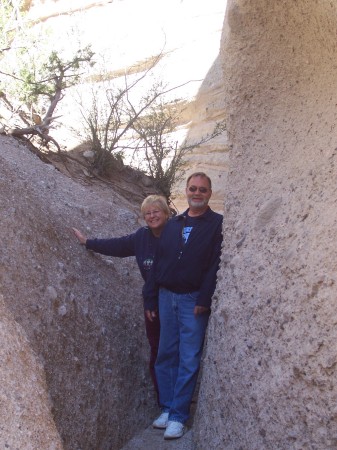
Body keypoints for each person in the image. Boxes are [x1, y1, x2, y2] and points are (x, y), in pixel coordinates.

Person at [143, 172, 223, 440]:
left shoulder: (217, 224)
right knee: (166, 354)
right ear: (186, 191)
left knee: (188, 358)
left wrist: (204, 298)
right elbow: (159, 263)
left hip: (192, 300)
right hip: (166, 297)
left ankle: (178, 414)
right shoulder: (174, 224)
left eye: (202, 189)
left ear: (209, 193)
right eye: (193, 189)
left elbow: (214, 265)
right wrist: (151, 297)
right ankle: (166, 408)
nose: (197, 193)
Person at [72, 194, 171, 401]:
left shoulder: (176, 233)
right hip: (153, 303)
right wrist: (88, 242)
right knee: (157, 349)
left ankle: (180, 402)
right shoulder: (141, 237)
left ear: (166, 213)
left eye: (156, 211)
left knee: (176, 349)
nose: (152, 216)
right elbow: (117, 246)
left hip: (176, 300)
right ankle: (164, 401)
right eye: (148, 213)